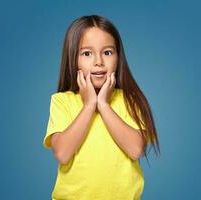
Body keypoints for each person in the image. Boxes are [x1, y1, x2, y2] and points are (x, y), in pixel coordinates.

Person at [42, 14, 160, 200]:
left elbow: (135, 149)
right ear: (73, 59)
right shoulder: (62, 101)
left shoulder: (131, 100)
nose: (99, 61)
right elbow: (63, 154)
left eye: (107, 52)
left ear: (118, 57)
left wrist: (103, 105)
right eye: (87, 53)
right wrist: (89, 105)